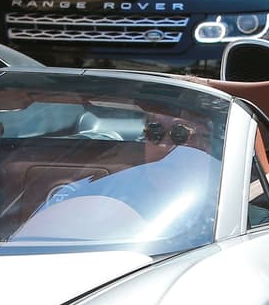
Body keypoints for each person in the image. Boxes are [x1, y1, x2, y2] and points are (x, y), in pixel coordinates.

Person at [31, 102, 223, 246]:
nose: (164, 145)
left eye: (179, 134)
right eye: (155, 132)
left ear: (207, 143)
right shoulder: (106, 190)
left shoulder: (229, 200)